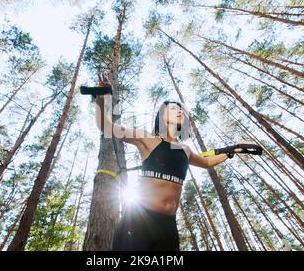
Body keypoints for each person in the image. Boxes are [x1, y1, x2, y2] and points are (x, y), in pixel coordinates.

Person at [94, 74, 252, 251]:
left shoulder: (184, 149)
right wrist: (102, 98)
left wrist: (232, 151)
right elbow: (106, 127)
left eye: (180, 109)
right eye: (173, 109)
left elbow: (206, 163)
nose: (179, 111)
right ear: (162, 115)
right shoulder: (147, 138)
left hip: (168, 226)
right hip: (138, 221)